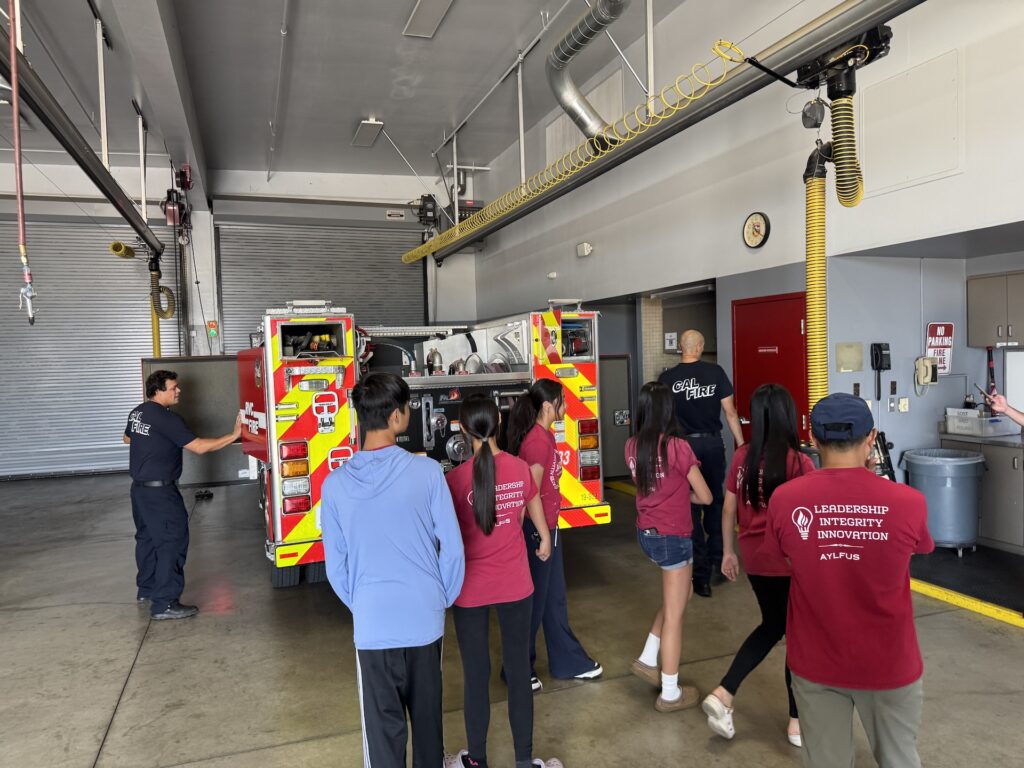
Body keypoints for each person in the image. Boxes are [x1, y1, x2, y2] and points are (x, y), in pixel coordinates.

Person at [759, 393, 935, 768]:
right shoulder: (908, 501)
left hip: (816, 661)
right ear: (871, 438)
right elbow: (916, 549)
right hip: (890, 662)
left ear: (812, 438)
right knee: (900, 760)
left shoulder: (785, 500)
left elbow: (783, 558)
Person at [320, 372, 465, 768]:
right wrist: (441, 598)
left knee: (382, 736)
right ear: (397, 416)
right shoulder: (427, 473)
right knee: (429, 728)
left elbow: (336, 567)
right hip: (423, 618)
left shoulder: (334, 486)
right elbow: (452, 549)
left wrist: (365, 604)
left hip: (373, 625)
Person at [446, 396, 561, 768]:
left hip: (469, 589)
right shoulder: (519, 467)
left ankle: (476, 760)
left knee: (475, 676)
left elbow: (446, 536)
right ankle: (524, 762)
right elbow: (532, 501)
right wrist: (545, 537)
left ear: (463, 429)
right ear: (499, 419)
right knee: (518, 672)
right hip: (515, 584)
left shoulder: (454, 481)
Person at [702, 384, 815, 746]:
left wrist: (727, 552)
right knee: (796, 634)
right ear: (787, 416)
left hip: (756, 558)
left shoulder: (743, 457)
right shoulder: (799, 462)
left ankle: (725, 692)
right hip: (791, 561)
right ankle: (796, 722)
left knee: (773, 625)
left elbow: (728, 509)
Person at [507, 378, 603, 690]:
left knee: (553, 601)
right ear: (549, 406)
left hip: (547, 528)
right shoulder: (537, 441)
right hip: (539, 531)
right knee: (535, 604)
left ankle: (567, 661)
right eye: (563, 400)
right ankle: (516, 669)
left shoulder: (544, 437)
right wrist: (543, 535)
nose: (566, 405)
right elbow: (530, 492)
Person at [123, 370, 240, 621]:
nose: (179, 391)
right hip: (160, 493)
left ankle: (147, 589)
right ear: (158, 391)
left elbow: (127, 438)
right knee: (171, 542)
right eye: (173, 388)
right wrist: (233, 436)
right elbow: (199, 447)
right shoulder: (167, 419)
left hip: (139, 490)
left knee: (147, 539)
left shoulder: (138, 412)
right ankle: (164, 603)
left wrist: (153, 445)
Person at [626, 382, 712, 712]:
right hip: (673, 537)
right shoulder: (677, 447)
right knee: (675, 615)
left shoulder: (632, 445)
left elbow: (651, 487)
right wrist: (681, 497)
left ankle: (649, 657)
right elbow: (705, 496)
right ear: (668, 410)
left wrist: (670, 495)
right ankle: (670, 693)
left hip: (646, 534)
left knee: (681, 594)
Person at [658, 329, 744, 597]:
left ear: (680, 347)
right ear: (700, 347)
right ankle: (720, 561)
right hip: (711, 445)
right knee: (715, 501)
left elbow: (662, 419)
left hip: (681, 447)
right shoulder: (715, 372)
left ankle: (700, 576)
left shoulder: (667, 379)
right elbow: (730, 413)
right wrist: (742, 445)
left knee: (689, 505)